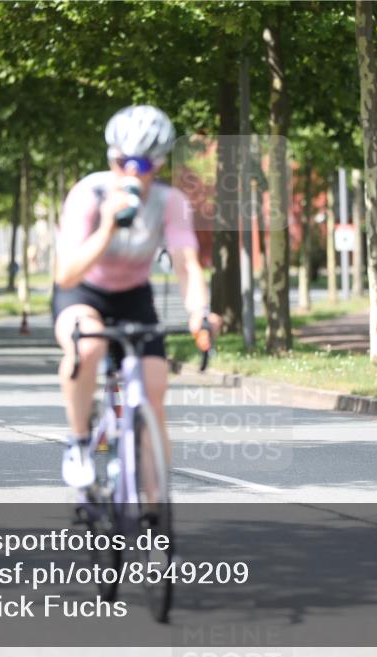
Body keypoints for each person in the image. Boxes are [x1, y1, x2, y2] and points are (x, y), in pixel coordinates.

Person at [52, 105, 220, 487]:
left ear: (157, 167)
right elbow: (66, 274)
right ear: (111, 158)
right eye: (122, 161)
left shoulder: (170, 202)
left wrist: (199, 312)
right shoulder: (87, 194)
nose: (131, 172)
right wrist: (109, 226)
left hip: (133, 297)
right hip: (83, 292)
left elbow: (186, 265)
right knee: (87, 349)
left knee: (153, 393)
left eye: (142, 166)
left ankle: (153, 516)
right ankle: (79, 441)